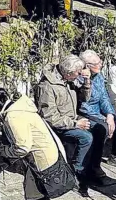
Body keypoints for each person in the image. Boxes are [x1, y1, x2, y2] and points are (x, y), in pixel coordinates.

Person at [0, 85, 75, 200]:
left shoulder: (13, 117)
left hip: (42, 161)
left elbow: (22, 147)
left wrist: (2, 151)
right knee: (35, 193)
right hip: (49, 153)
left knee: (34, 195)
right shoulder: (20, 108)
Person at [35, 55, 100, 190]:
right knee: (86, 137)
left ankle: (93, 168)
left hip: (72, 118)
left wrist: (87, 82)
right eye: (77, 73)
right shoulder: (47, 87)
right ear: (68, 73)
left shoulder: (70, 80)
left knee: (100, 128)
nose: (79, 74)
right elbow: (50, 117)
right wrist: (75, 124)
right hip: (59, 126)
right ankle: (75, 171)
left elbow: (84, 99)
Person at [78, 50, 116, 177]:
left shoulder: (99, 76)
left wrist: (110, 114)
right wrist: (87, 82)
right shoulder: (79, 79)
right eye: (96, 63)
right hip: (85, 112)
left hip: (99, 111)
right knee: (101, 128)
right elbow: (84, 103)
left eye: (100, 62)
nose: (100, 65)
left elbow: (104, 97)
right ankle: (94, 166)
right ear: (87, 66)